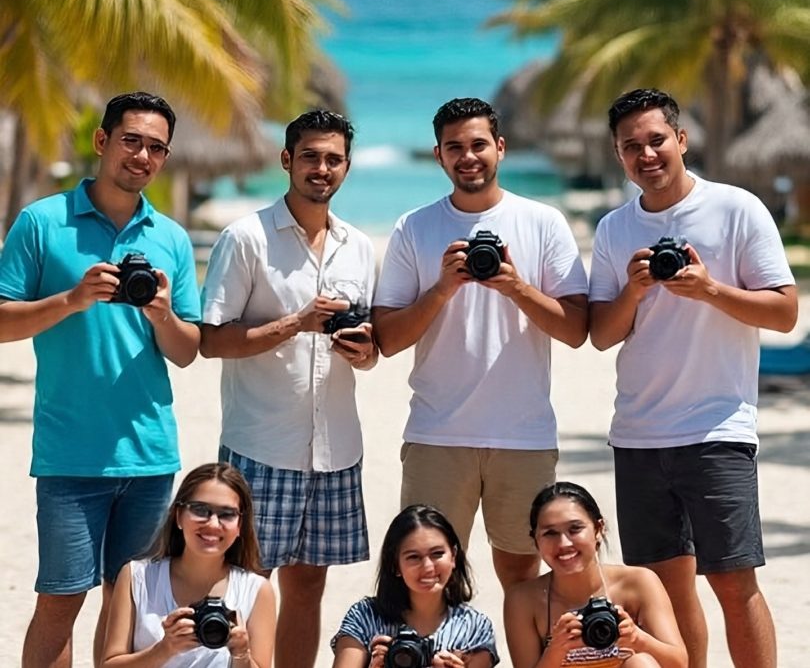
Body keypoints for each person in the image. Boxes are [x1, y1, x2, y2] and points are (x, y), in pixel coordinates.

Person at [589, 88, 798, 668]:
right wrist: (634, 289)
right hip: (637, 435)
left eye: (656, 140)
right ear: (618, 154)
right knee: (666, 592)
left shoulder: (737, 209)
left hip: (719, 430)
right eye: (631, 147)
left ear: (681, 140)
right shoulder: (612, 229)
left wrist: (708, 289)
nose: (646, 154)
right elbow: (602, 334)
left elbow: (784, 312)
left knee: (734, 585)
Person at [0, 91, 201, 668]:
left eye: (156, 147)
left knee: (129, 609)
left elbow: (188, 353)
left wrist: (162, 314)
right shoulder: (42, 221)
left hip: (149, 456)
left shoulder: (171, 237)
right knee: (59, 602)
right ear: (102, 141)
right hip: (69, 453)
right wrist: (72, 298)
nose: (141, 155)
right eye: (131, 140)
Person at [372, 97, 589, 589]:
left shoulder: (543, 222)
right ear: (438, 156)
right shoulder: (414, 227)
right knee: (427, 578)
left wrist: (515, 286)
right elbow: (387, 338)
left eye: (478, 145)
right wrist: (443, 288)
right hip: (436, 435)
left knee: (523, 577)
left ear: (501, 148)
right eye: (455, 148)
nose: (468, 157)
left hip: (524, 435)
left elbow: (577, 330)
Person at [200, 110, 378, 668]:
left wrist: (366, 351)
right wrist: (295, 323)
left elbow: (369, 351)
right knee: (242, 589)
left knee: (308, 590)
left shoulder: (359, 246)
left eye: (332, 159)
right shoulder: (245, 237)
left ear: (346, 168)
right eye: (310, 157)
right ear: (287, 160)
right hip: (260, 447)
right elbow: (213, 340)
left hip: (334, 450)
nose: (321, 168)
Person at [102, 462, 275, 667]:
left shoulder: (256, 590)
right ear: (178, 516)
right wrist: (164, 649)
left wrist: (241, 654)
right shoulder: (136, 576)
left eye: (226, 514)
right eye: (200, 510)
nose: (212, 523)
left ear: (240, 526)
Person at [504, 482, 687, 668]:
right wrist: (557, 649)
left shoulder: (638, 583)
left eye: (575, 529)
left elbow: (679, 663)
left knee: (641, 663)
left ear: (598, 529)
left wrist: (638, 639)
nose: (564, 543)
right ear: (535, 540)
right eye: (550, 533)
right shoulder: (523, 599)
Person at [331, 504, 499, 668]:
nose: (428, 567)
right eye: (414, 557)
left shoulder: (474, 627)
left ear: (453, 556)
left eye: (437, 554)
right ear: (395, 565)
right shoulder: (364, 617)